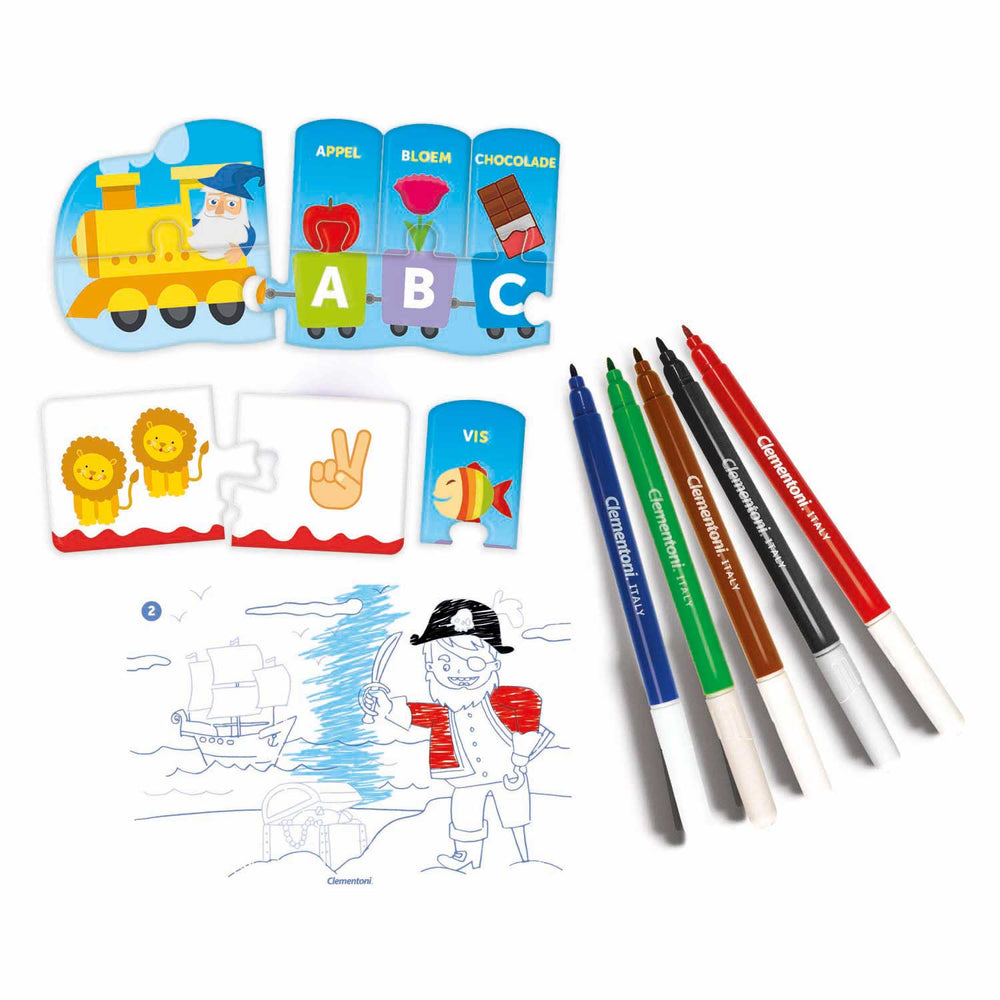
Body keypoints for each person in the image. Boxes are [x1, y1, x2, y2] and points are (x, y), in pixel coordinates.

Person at [361, 598, 552, 872]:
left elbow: (530, 701)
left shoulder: (504, 699)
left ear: (493, 663)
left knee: (515, 815)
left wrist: (520, 758)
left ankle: (523, 855)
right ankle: (466, 856)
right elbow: (416, 713)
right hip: (466, 778)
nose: (460, 673)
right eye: (446, 664)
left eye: (474, 662)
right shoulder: (444, 711)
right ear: (430, 667)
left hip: (508, 771)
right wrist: (386, 706)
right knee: (465, 815)